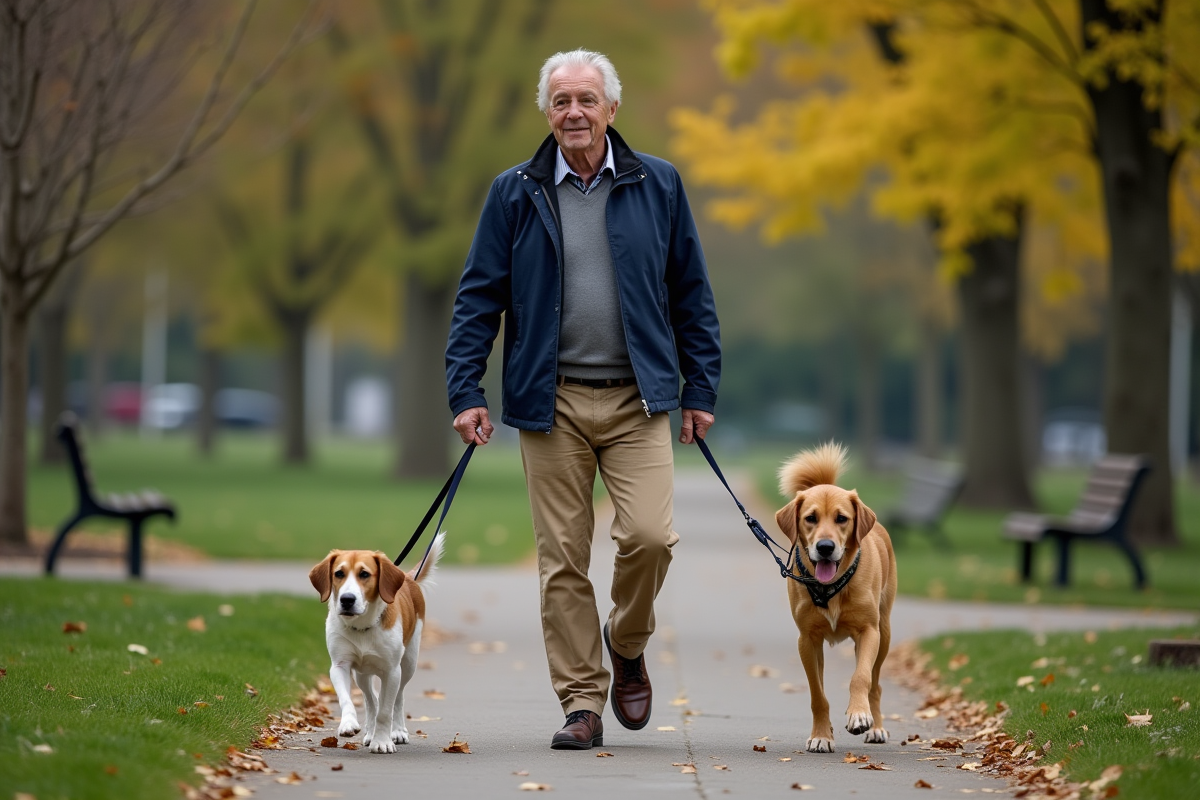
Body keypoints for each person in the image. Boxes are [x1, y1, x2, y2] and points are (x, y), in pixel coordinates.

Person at [445, 49, 720, 751]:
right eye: (562, 100)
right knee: (562, 560)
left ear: (611, 109)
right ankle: (581, 702)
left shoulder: (658, 184)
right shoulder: (514, 192)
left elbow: (692, 293)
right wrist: (466, 390)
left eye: (587, 100)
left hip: (639, 400)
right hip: (551, 402)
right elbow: (478, 298)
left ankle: (626, 642)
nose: (574, 112)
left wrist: (700, 389)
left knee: (651, 539)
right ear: (548, 112)